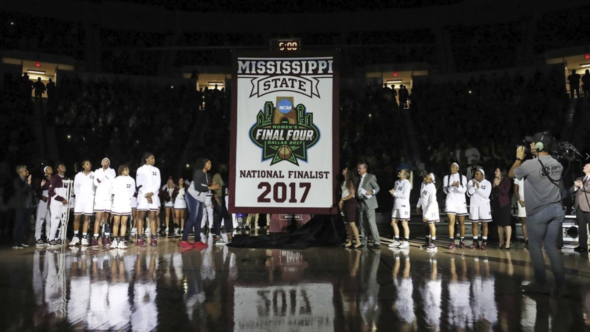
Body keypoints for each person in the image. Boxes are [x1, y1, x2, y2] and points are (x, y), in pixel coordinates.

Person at [510, 132, 566, 295]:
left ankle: (541, 284)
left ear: (540, 146)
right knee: (551, 247)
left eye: (533, 144)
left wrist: (519, 159)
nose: (530, 146)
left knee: (534, 246)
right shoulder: (558, 164)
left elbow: (511, 174)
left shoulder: (529, 164)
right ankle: (561, 286)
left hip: (539, 212)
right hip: (556, 210)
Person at [179, 158, 220, 248]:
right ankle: (183, 240)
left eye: (210, 164)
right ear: (203, 164)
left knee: (199, 219)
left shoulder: (205, 174)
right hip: (192, 196)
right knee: (193, 218)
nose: (210, 165)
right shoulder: (198, 172)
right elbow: (198, 187)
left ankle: (197, 241)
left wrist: (210, 188)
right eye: (208, 163)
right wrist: (211, 187)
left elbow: (203, 187)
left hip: (200, 198)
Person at [136, 152, 161, 247]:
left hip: (153, 196)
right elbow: (139, 184)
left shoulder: (156, 170)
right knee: (140, 217)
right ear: (146, 159)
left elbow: (158, 183)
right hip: (143, 196)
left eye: (154, 158)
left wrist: (152, 193)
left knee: (153, 217)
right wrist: (146, 194)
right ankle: (139, 237)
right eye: (152, 158)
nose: (154, 160)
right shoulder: (140, 169)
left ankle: (154, 238)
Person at [70, 159, 95, 247]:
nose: (89, 165)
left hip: (89, 197)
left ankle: (84, 237)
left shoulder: (94, 174)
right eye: (87, 164)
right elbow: (75, 187)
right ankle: (76, 236)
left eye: (90, 164)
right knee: (77, 217)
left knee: (86, 218)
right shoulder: (78, 175)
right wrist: (78, 196)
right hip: (80, 197)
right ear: (83, 166)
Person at [443, 163, 468, 249]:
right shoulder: (447, 177)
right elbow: (445, 190)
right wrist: (452, 186)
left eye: (453, 167)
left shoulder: (463, 177)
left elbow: (464, 190)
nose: (451, 168)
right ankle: (451, 241)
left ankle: (462, 241)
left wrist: (457, 186)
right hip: (450, 201)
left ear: (458, 169)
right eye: (451, 167)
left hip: (461, 201)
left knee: (461, 222)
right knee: (451, 221)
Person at [356, 162, 381, 248]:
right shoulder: (358, 178)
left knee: (371, 223)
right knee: (362, 223)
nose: (358, 170)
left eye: (360, 168)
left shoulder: (371, 177)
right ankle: (364, 241)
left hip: (369, 202)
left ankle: (376, 241)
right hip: (361, 203)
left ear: (365, 169)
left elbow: (377, 188)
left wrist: (372, 191)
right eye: (358, 168)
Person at [110, 165, 136, 249]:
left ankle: (121, 240)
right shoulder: (116, 179)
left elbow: (132, 192)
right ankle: (114, 240)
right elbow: (112, 190)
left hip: (126, 203)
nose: (127, 170)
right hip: (117, 202)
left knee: (124, 222)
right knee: (116, 222)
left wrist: (127, 198)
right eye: (125, 169)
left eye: (128, 169)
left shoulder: (131, 180)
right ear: (121, 170)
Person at [466, 168, 492, 250]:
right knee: (474, 224)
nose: (475, 175)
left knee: (484, 224)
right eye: (475, 174)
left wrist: (478, 188)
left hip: (484, 205)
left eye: (478, 174)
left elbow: (486, 195)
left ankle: (484, 242)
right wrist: (474, 187)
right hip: (474, 204)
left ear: (482, 175)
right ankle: (475, 242)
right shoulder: (471, 182)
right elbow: (469, 193)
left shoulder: (487, 183)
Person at [93, 157, 116, 247]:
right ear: (101, 163)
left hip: (108, 197)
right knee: (98, 218)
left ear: (109, 164)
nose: (105, 162)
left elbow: (112, 180)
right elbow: (96, 182)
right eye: (104, 161)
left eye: (107, 161)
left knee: (107, 218)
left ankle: (106, 237)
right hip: (99, 197)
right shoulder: (97, 171)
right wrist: (103, 175)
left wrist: (104, 174)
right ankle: (95, 238)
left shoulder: (112, 171)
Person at [388, 169, 412, 249]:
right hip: (396, 204)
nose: (399, 173)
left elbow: (405, 195)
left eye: (401, 172)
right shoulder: (396, 182)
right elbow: (396, 193)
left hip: (403, 206)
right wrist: (393, 192)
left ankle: (406, 241)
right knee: (393, 222)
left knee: (404, 223)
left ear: (405, 175)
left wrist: (395, 193)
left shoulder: (407, 183)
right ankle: (396, 240)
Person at [570, 163, 590, 253]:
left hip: (588, 207)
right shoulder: (580, 178)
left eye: (586, 166)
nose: (584, 167)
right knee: (581, 228)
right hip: (579, 207)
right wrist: (575, 186)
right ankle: (583, 246)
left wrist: (581, 186)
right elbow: (571, 190)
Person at [47, 162, 69, 247]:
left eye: (64, 165)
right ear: (57, 169)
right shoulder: (54, 178)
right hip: (55, 203)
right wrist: (61, 199)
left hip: (64, 203)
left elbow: (66, 192)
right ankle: (51, 239)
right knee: (55, 220)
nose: (63, 167)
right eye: (61, 166)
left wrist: (67, 200)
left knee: (62, 221)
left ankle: (58, 238)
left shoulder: (67, 178)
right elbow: (51, 191)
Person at [339, 167, 361, 249]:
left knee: (352, 222)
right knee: (348, 223)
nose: (343, 170)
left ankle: (358, 241)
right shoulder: (344, 182)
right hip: (346, 202)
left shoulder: (351, 182)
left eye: (345, 170)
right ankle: (350, 241)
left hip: (351, 202)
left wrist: (342, 200)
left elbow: (352, 194)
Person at [211, 164, 233, 245]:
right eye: (223, 167)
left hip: (222, 198)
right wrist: (215, 198)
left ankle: (217, 237)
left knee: (219, 218)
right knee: (226, 216)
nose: (225, 168)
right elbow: (212, 187)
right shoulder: (217, 175)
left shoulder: (223, 177)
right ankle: (229, 235)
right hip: (218, 198)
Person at [13, 165, 33, 249]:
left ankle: (22, 241)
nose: (27, 171)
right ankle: (16, 243)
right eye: (25, 171)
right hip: (20, 205)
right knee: (19, 223)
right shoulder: (17, 181)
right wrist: (28, 183)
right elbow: (21, 191)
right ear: (21, 173)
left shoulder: (25, 181)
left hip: (27, 205)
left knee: (25, 224)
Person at [494, 168, 513, 249]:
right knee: (499, 224)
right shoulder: (495, 180)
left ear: (501, 172)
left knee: (506, 223)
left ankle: (508, 242)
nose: (495, 172)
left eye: (497, 171)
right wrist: (494, 186)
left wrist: (498, 185)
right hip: (497, 204)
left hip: (505, 204)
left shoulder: (506, 181)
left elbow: (505, 192)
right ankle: (501, 242)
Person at [419, 173, 439, 250]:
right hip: (425, 208)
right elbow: (421, 197)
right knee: (427, 225)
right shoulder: (424, 185)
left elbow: (432, 202)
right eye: (425, 177)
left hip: (431, 209)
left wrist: (427, 214)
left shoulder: (432, 188)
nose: (424, 178)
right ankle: (427, 242)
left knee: (431, 224)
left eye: (426, 178)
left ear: (431, 180)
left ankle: (433, 243)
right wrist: (418, 205)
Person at [34, 166, 53, 247]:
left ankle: (48, 237)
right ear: (45, 171)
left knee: (49, 219)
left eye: (51, 168)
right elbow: (36, 190)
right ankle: (38, 237)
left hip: (52, 199)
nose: (50, 169)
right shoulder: (42, 179)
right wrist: (41, 196)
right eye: (48, 169)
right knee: (41, 218)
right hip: (44, 198)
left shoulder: (55, 179)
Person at [514, 176, 528, 249]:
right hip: (521, 202)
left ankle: (535, 240)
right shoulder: (518, 177)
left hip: (531, 201)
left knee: (532, 221)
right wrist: (519, 200)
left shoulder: (531, 174)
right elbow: (515, 190)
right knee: (523, 221)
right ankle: (527, 240)